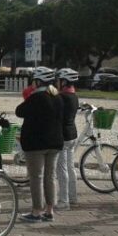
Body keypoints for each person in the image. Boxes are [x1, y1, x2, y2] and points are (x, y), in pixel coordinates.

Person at [15, 66, 62, 222]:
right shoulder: (57, 97)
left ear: (38, 81)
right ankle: (50, 210)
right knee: (50, 176)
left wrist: (31, 94)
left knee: (36, 177)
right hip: (55, 142)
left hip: (36, 143)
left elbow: (19, 111)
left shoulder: (37, 97)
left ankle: (36, 212)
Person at [54, 68, 80, 210]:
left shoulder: (61, 98)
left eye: (59, 80)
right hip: (72, 134)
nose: (57, 83)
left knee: (61, 169)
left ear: (64, 82)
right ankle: (73, 197)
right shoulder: (74, 96)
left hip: (62, 136)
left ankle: (64, 201)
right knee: (70, 167)